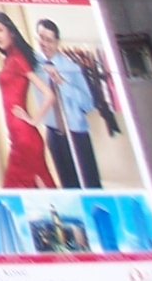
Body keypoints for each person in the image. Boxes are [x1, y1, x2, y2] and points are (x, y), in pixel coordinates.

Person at [0, 10, 56, 188]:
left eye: (0, 30)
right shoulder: (9, 59)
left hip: (25, 138)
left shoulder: (17, 59)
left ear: (11, 31)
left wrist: (32, 120)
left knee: (23, 189)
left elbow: (49, 94)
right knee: (34, 189)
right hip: (17, 138)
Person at [35, 17, 102, 187]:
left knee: (89, 183)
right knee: (68, 184)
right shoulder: (34, 65)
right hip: (53, 132)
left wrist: (62, 82)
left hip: (76, 131)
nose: (45, 44)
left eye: (49, 40)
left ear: (57, 42)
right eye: (41, 38)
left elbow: (88, 104)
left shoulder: (72, 67)